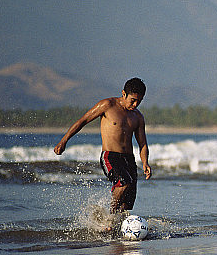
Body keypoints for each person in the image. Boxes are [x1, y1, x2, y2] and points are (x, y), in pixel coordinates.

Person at [54, 77, 152, 214]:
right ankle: (110, 218)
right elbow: (82, 121)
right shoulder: (107, 105)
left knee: (127, 203)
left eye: (139, 101)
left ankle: (117, 228)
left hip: (129, 159)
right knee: (123, 183)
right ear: (124, 94)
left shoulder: (138, 117)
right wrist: (63, 141)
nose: (135, 104)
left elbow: (143, 144)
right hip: (110, 156)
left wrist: (145, 162)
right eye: (133, 100)